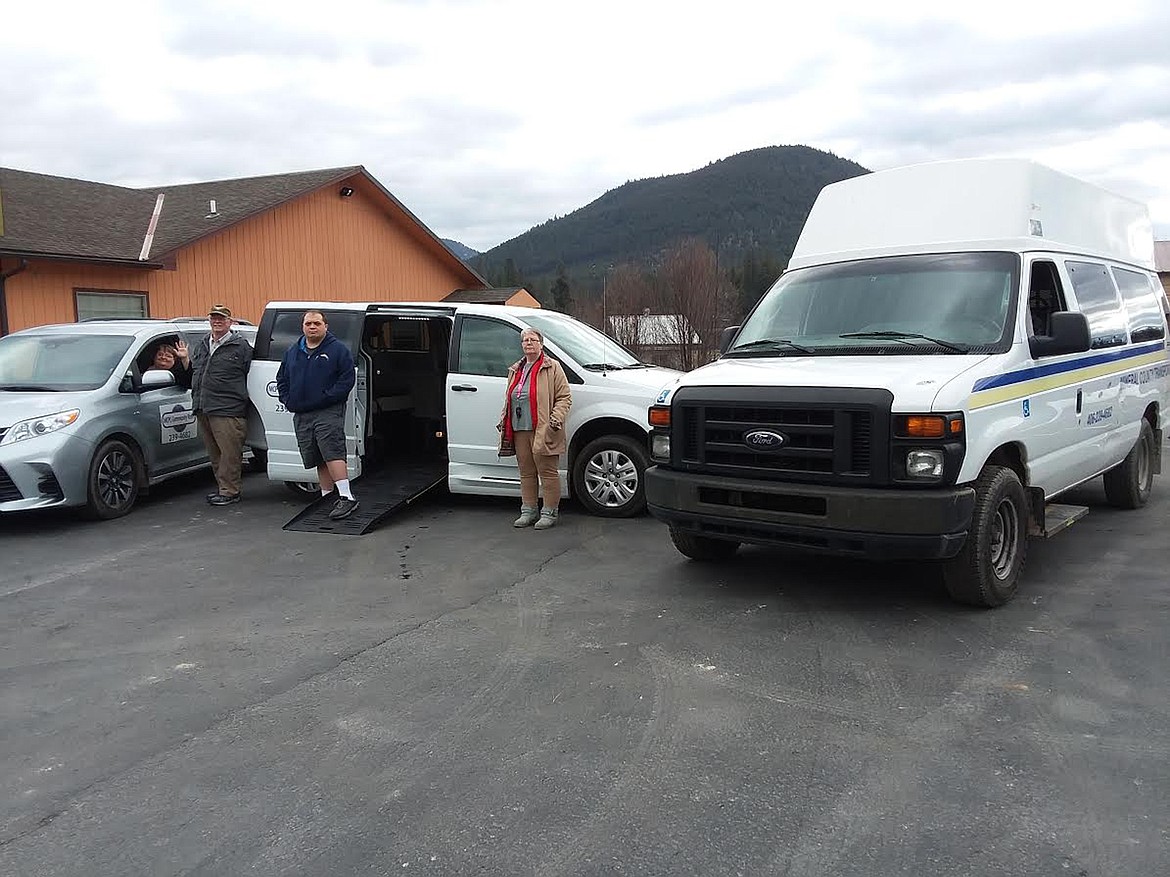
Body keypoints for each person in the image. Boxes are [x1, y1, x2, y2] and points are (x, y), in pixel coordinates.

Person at [276, 310, 359, 520]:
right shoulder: (293, 351)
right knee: (317, 455)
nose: (312, 327)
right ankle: (326, 497)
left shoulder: (338, 350)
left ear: (325, 326)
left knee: (332, 451)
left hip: (327, 410)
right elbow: (282, 378)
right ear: (303, 326)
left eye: (317, 323)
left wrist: (327, 397)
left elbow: (346, 380)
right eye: (308, 324)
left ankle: (347, 497)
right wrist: (287, 399)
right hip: (302, 413)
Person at [175, 305, 253, 506]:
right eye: (214, 318)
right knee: (215, 453)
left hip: (228, 409)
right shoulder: (202, 344)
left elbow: (252, 375)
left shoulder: (241, 347)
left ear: (230, 322)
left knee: (230, 454)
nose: (217, 322)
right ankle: (223, 489)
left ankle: (230, 491)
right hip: (204, 407)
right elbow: (193, 375)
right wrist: (184, 360)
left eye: (222, 319)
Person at [498, 327, 572, 530]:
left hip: (543, 429)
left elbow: (564, 397)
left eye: (532, 340)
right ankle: (528, 511)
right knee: (526, 472)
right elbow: (511, 397)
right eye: (525, 340)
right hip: (519, 429)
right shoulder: (516, 370)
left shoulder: (552, 367)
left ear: (541, 344)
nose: (528, 343)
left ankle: (549, 512)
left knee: (547, 472)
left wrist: (554, 420)